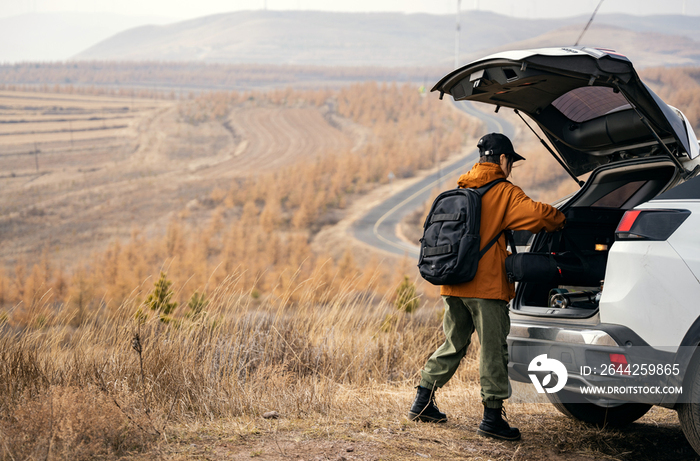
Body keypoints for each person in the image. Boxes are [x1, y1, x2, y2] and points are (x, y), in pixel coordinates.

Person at [408, 132, 566, 441]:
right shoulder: (504, 191)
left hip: (453, 282)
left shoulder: (462, 187)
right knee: (493, 350)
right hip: (486, 287)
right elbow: (536, 216)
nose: (511, 169)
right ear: (504, 160)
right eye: (511, 163)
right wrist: (560, 218)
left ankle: (422, 401)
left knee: (454, 343)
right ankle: (492, 418)